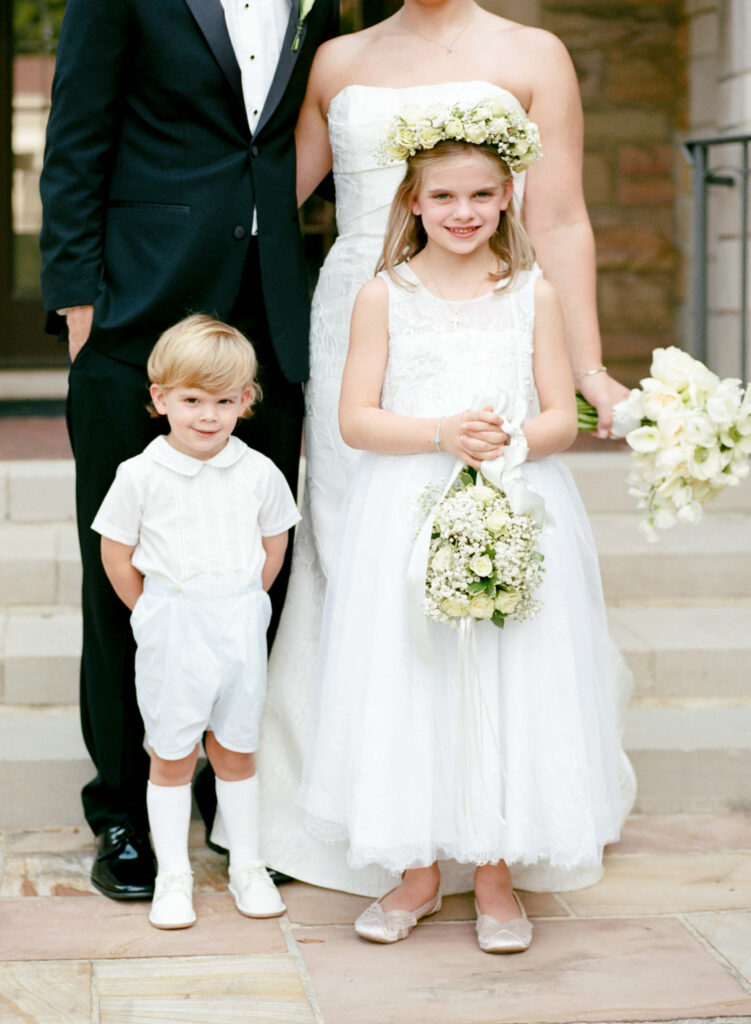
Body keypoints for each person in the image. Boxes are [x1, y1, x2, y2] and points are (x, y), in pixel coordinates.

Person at [258, 0, 636, 896]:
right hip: (367, 310)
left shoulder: (533, 51)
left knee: (486, 546)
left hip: (489, 324)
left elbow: (565, 218)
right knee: (362, 560)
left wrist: (585, 369)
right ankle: (375, 811)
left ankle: (494, 818)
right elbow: (260, 191)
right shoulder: (335, 57)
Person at [39, 0, 338, 899]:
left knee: (261, 571)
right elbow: (76, 133)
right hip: (139, 314)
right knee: (123, 577)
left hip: (268, 320)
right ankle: (125, 810)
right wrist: (80, 305)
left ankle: (231, 794)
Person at [92, 316, 301, 929]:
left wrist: (241, 601)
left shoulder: (259, 471)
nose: (207, 415)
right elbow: (115, 551)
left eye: (223, 401)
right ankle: (174, 878)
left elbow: (274, 543)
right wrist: (155, 611)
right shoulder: (140, 474)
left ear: (246, 401)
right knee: (172, 753)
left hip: (237, 623)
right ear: (160, 399)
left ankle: (247, 866)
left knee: (236, 748)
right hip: (173, 627)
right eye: (191, 400)